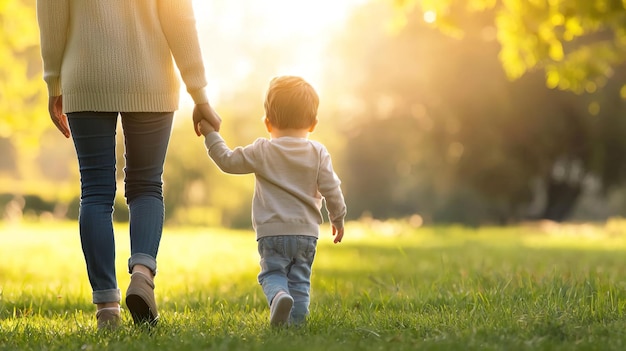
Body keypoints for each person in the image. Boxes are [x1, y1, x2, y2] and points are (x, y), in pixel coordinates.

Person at [36, 0, 221, 329]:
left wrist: (54, 82)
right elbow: (179, 16)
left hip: (86, 75)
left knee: (95, 191)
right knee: (147, 184)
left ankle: (107, 307)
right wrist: (199, 95)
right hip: (151, 76)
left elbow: (51, 11)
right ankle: (142, 274)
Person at [198, 76, 346, 327]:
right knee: (300, 279)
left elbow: (227, 161)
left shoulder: (262, 150)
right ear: (313, 123)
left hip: (271, 232)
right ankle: (295, 325)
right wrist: (338, 217)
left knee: (273, 274)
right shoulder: (318, 152)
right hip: (306, 233)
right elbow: (332, 189)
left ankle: (278, 296)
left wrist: (211, 135)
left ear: (268, 123)